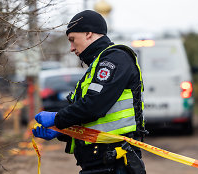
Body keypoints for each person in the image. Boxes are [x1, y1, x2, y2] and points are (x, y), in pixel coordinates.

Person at [32, 10, 147, 174]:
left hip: (116, 164)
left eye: (72, 40)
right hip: (101, 164)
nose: (71, 48)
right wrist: (61, 131)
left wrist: (57, 118)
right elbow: (96, 123)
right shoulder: (97, 64)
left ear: (88, 34)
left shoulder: (115, 59)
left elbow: (94, 106)